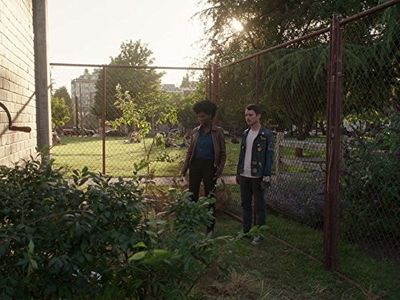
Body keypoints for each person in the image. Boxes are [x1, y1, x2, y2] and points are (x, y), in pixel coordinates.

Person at [180, 100, 226, 234]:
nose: (200, 119)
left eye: (203, 116)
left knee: (209, 197)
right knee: (191, 196)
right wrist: (184, 169)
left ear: (210, 115)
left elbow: (223, 153)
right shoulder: (196, 131)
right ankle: (190, 226)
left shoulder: (217, 132)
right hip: (195, 166)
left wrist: (219, 169)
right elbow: (190, 152)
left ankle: (209, 228)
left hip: (210, 167)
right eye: (198, 116)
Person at [236, 104, 274, 245]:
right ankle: (246, 231)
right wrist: (238, 172)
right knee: (245, 204)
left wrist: (266, 176)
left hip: (257, 176)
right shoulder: (246, 133)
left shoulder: (266, 135)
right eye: (246, 115)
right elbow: (242, 154)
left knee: (259, 206)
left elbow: (269, 157)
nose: (248, 118)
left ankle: (258, 234)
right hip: (244, 175)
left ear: (258, 116)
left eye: (251, 115)